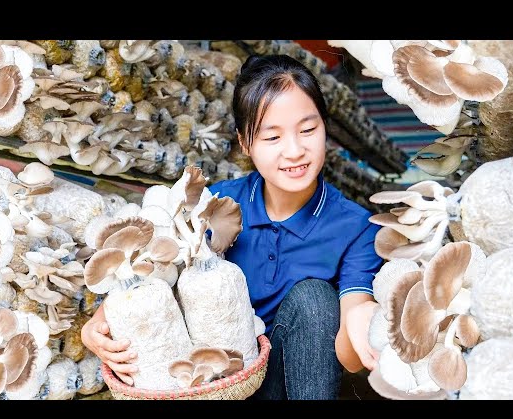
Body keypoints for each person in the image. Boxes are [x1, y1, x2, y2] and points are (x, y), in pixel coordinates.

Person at [81, 54, 383, 400]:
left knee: (314, 298)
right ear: (244, 143)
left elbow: (349, 358)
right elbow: (150, 271)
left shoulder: (356, 226)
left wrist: (360, 321)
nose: (295, 150)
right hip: (209, 383)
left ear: (325, 127)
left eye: (308, 129)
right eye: (272, 137)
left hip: (290, 384)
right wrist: (96, 326)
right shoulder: (212, 206)